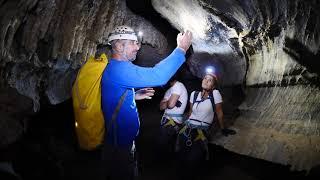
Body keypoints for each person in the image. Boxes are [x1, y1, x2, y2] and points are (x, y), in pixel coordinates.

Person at [101, 25, 192, 180]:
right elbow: (158, 75)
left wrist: (133, 94)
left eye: (138, 43)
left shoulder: (114, 69)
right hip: (119, 147)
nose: (138, 47)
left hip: (120, 142)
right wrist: (181, 49)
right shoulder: (119, 69)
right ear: (118, 45)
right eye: (133, 43)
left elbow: (111, 96)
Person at [176, 71, 235, 180]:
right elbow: (190, 112)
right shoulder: (193, 94)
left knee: (193, 161)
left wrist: (223, 129)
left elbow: (219, 113)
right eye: (205, 78)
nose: (206, 81)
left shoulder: (215, 94)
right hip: (186, 130)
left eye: (210, 80)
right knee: (181, 158)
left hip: (200, 133)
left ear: (213, 86)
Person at [158, 76, 188, 160]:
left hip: (171, 123)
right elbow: (161, 107)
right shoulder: (169, 90)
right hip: (166, 121)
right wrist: (169, 102)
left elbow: (170, 105)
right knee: (165, 148)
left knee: (162, 148)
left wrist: (168, 103)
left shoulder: (178, 86)